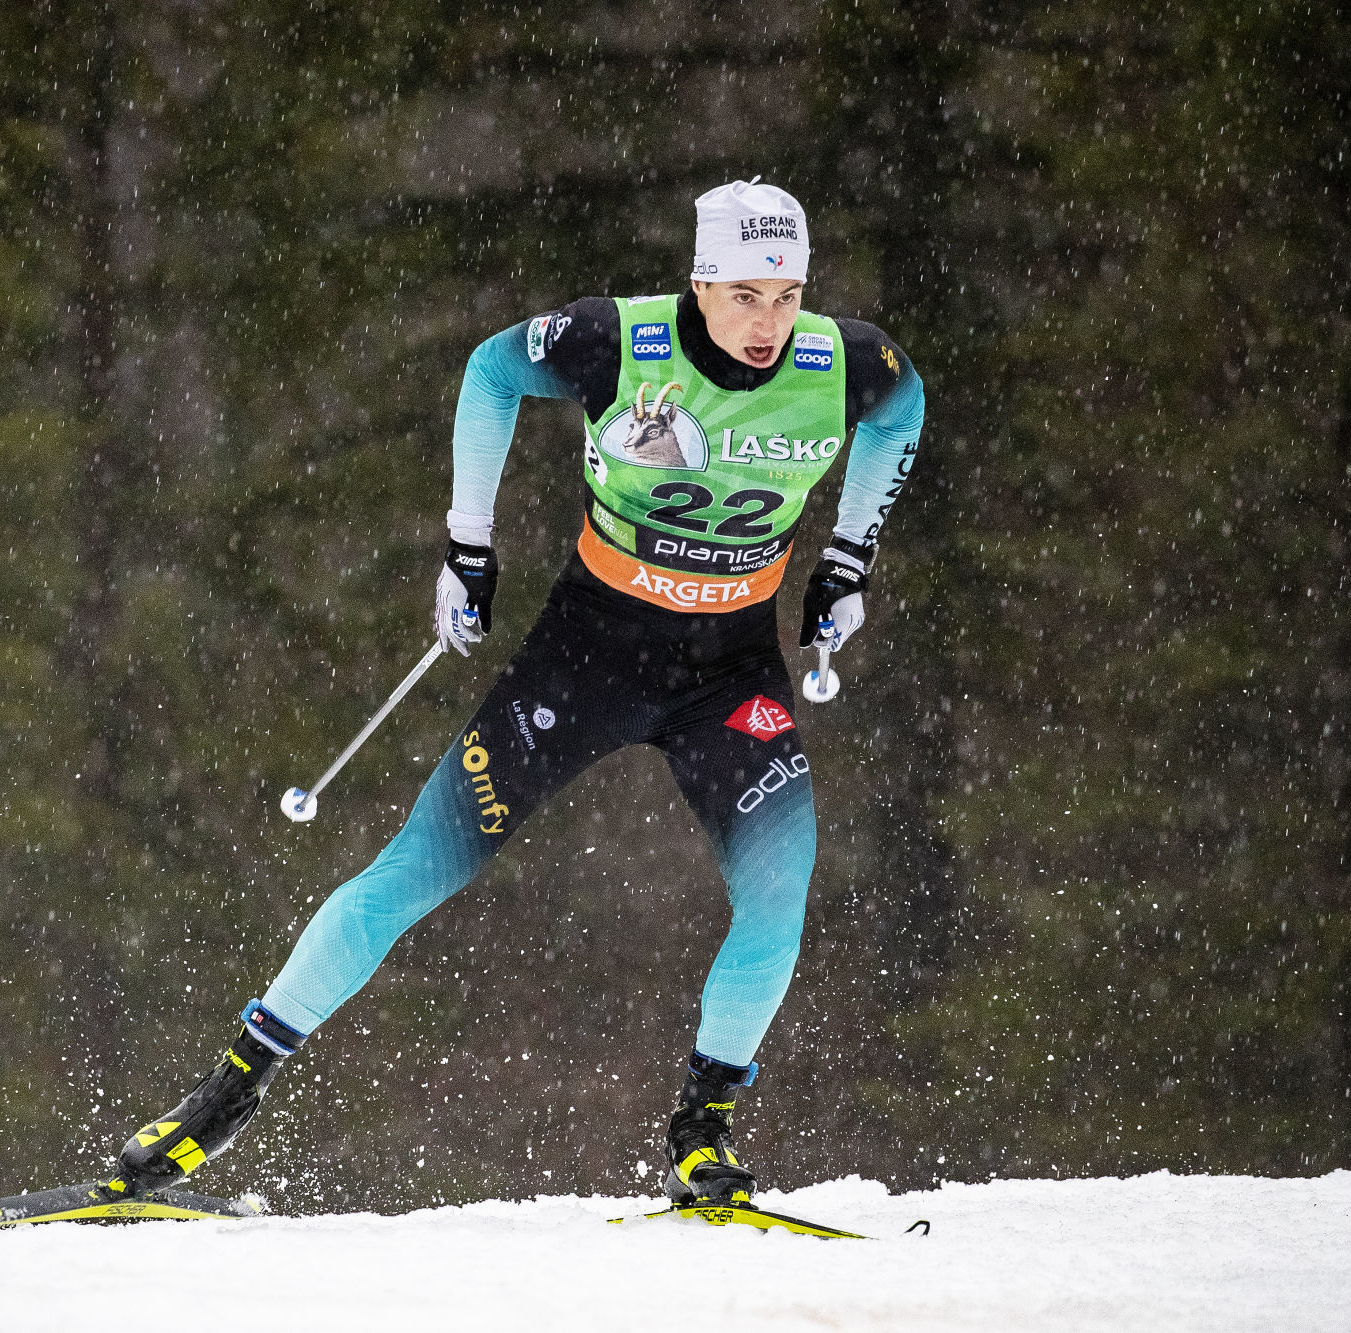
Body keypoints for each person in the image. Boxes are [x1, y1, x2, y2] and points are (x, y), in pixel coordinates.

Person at [107, 179, 924, 1210]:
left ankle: (699, 1133)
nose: (767, 323)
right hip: (585, 658)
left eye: (786, 295)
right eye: (744, 294)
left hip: (728, 674)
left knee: (778, 895)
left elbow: (903, 406)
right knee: (413, 870)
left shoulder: (843, 360)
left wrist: (847, 559)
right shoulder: (612, 339)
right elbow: (491, 371)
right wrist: (467, 545)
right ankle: (215, 1106)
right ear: (699, 281)